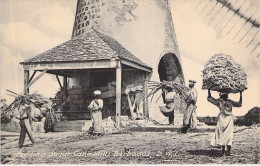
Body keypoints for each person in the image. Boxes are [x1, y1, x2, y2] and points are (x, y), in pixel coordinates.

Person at [207, 90, 242, 156]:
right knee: (227, 135)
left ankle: (226, 151)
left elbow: (210, 98)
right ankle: (226, 151)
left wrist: (209, 90)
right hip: (225, 120)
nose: (225, 96)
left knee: (226, 135)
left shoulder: (220, 102)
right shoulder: (222, 102)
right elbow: (210, 98)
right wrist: (240, 94)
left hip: (226, 120)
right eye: (225, 95)